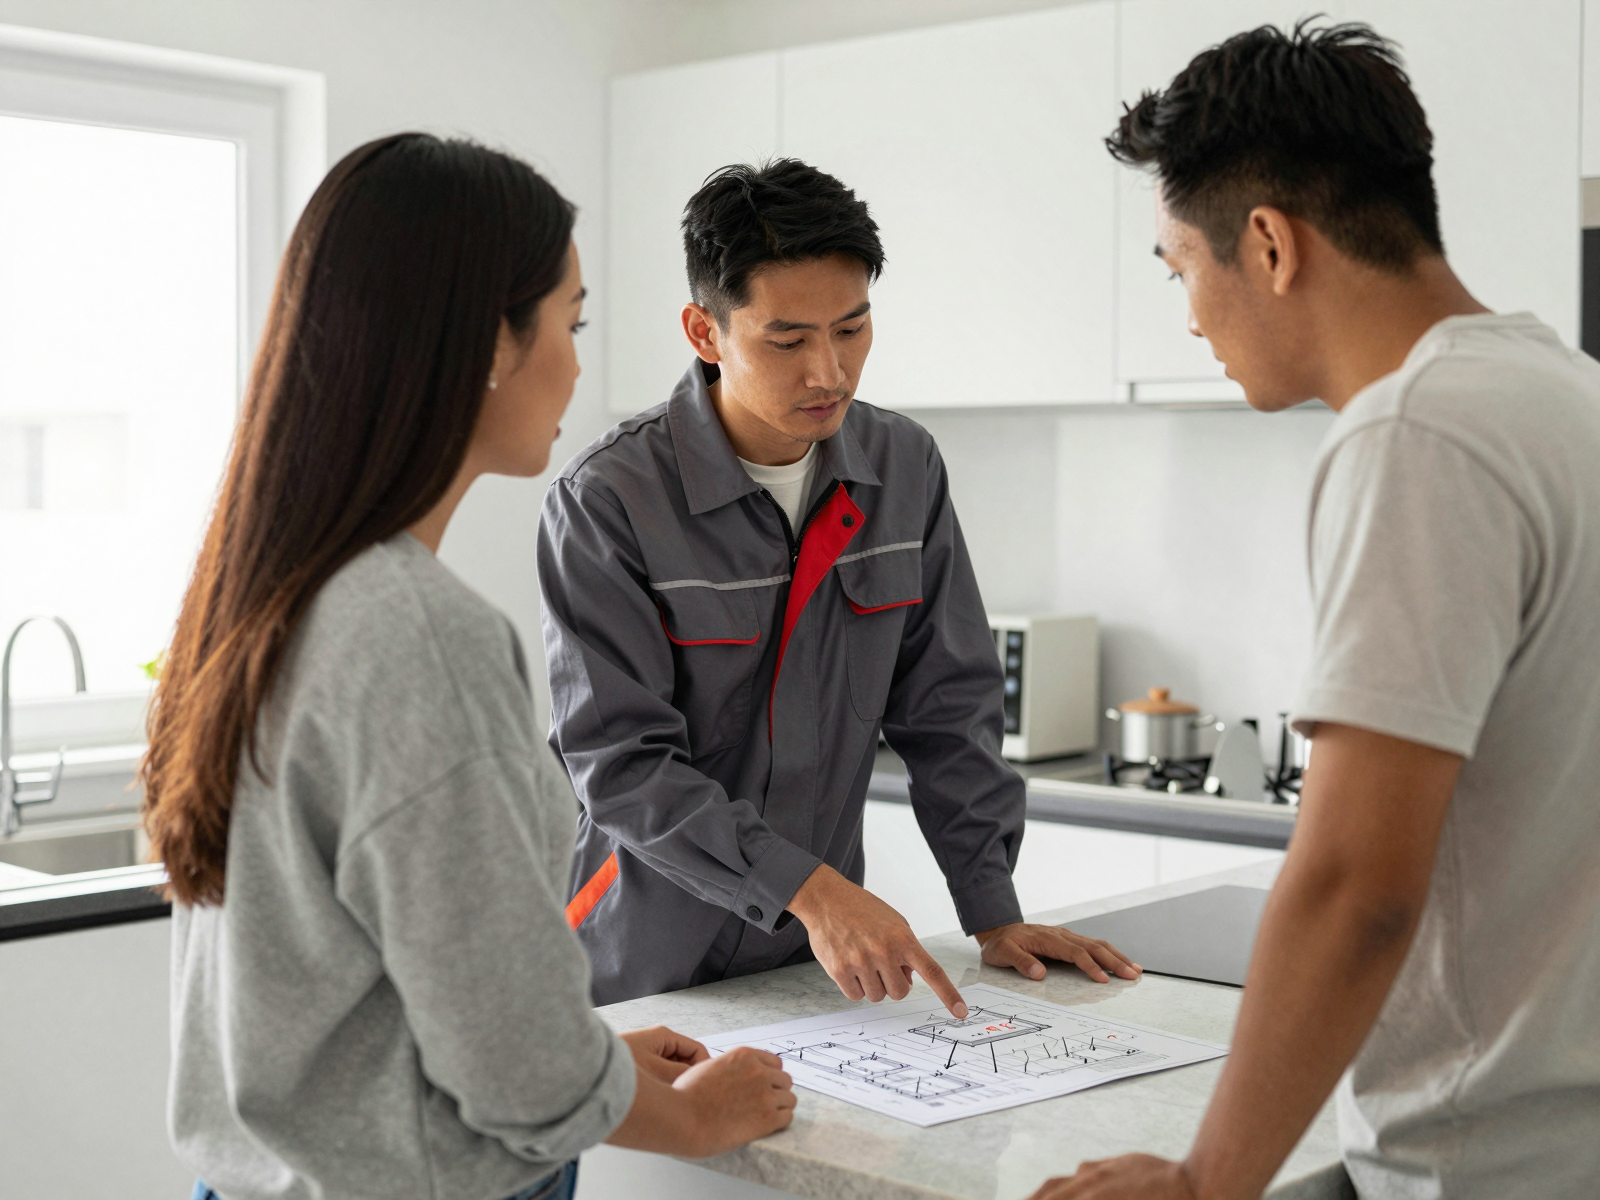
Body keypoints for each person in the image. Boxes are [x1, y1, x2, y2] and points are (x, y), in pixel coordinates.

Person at [140, 133, 794, 1200]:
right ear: (489, 341)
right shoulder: (417, 634)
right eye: (570, 322)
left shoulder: (261, 597)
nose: (578, 362)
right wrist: (685, 1119)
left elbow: (391, 989)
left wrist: (592, 1065)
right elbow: (514, 1070)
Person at [1028, 21, 1600, 1200]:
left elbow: (1355, 884)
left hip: (1477, 1160)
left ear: (1269, 245)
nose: (1187, 314)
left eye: (1178, 267)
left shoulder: (1415, 431)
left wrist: (1204, 1181)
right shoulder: (1569, 396)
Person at [538, 159, 1138, 1012]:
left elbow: (949, 709)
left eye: (852, 329)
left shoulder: (904, 468)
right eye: (787, 340)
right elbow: (621, 765)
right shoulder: (607, 499)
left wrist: (992, 910)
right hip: (643, 967)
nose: (830, 371)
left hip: (811, 968)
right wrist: (813, 891)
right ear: (704, 332)